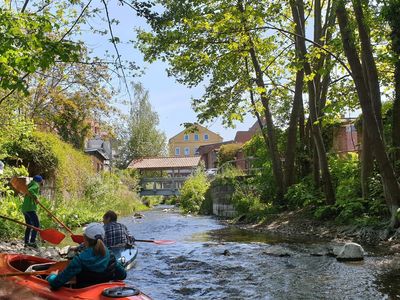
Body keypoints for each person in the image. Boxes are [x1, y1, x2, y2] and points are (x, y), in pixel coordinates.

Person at [47, 223, 126, 289]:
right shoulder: (111, 255)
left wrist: (52, 276)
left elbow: (56, 284)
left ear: (84, 239)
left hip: (82, 293)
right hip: (103, 291)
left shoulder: (79, 259)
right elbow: (122, 275)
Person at [21, 175, 43, 248]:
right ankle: (32, 241)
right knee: (36, 225)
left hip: (25, 209)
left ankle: (26, 242)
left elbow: (29, 191)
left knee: (29, 225)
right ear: (39, 182)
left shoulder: (29, 185)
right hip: (30, 208)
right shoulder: (35, 185)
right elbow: (31, 190)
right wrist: (36, 198)